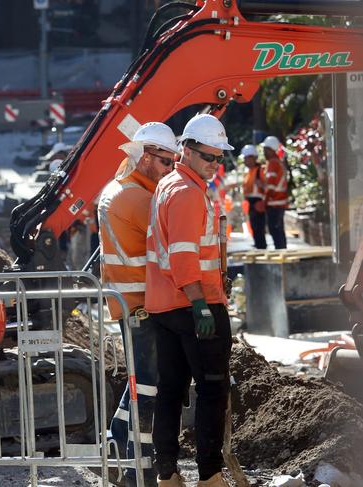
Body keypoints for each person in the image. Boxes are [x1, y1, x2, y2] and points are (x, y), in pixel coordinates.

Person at [144, 114, 233, 487]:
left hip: (165, 307)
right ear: (186, 150)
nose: (214, 165)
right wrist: (200, 305)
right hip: (196, 305)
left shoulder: (169, 184)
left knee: (170, 389)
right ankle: (210, 475)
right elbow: (182, 257)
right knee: (212, 389)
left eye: (219, 158)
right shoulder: (185, 193)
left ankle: (167, 474)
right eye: (207, 157)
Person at [98, 122, 179, 486]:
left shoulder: (118, 188)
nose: (171, 170)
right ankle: (138, 470)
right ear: (145, 157)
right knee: (148, 388)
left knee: (139, 385)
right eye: (166, 162)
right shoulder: (140, 199)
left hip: (127, 303)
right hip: (141, 306)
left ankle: (116, 446)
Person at [260, 135, 288, 249]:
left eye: (265, 149)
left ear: (270, 150)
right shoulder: (278, 162)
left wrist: (264, 202)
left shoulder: (273, 163)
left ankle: (281, 255)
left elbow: (271, 187)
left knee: (275, 231)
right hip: (279, 202)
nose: (263, 152)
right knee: (279, 231)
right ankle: (282, 253)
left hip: (274, 203)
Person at [241, 144, 267, 249]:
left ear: (253, 158)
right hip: (251, 202)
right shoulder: (249, 172)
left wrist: (261, 185)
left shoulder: (260, 170)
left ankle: (261, 246)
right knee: (254, 226)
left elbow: (266, 186)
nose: (245, 161)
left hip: (258, 202)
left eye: (246, 158)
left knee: (259, 227)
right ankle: (258, 244)